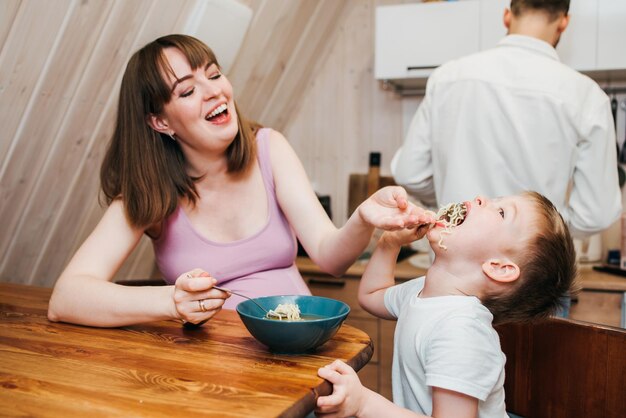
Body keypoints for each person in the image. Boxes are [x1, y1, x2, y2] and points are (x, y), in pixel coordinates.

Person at [47, 34, 422, 328]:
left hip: (300, 354)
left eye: (213, 74)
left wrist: (361, 219)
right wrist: (170, 302)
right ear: (159, 122)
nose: (214, 91)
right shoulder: (150, 192)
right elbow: (66, 298)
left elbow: (331, 258)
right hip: (213, 374)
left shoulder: (269, 148)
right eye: (188, 90)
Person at [315, 191, 577, 418]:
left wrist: (364, 404)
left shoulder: (461, 330)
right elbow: (372, 294)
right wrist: (390, 243)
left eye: (501, 211)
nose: (480, 198)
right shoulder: (424, 292)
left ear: (499, 267)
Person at [390, 0, 621, 239]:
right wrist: (541, 235)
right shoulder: (587, 97)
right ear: (563, 23)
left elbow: (410, 173)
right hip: (534, 268)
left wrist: (455, 205)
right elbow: (597, 213)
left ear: (507, 17)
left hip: (453, 255)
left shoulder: (447, 77)